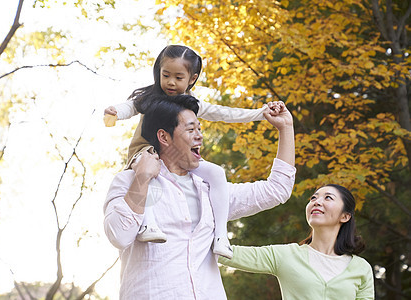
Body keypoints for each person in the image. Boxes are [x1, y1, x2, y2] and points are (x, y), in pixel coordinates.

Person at [103, 94, 295, 299]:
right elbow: (119, 236)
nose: (200, 136)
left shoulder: (212, 191)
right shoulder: (127, 181)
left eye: (200, 129)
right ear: (164, 137)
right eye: (190, 129)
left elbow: (277, 190)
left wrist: (286, 128)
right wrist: (142, 178)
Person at [104, 45, 269, 259]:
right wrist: (116, 112)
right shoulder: (150, 97)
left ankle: (220, 236)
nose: (171, 82)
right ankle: (148, 224)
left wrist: (259, 114)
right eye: (166, 75)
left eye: (178, 77)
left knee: (217, 173)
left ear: (192, 78)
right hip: (146, 151)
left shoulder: (191, 104)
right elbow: (130, 106)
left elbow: (224, 113)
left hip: (180, 159)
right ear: (158, 72)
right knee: (151, 172)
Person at [219, 184, 375, 299]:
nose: (317, 201)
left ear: (345, 216)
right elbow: (224, 253)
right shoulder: (286, 255)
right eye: (313, 198)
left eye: (328, 197)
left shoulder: (361, 268)